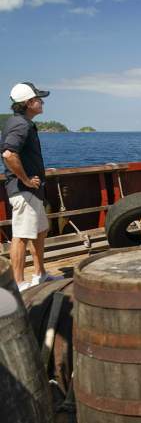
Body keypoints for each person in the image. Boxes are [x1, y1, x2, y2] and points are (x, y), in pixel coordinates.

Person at [1, 82, 57, 291]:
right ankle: (17, 282)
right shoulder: (21, 124)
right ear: (28, 103)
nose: (42, 102)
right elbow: (8, 154)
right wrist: (24, 179)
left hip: (32, 191)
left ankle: (40, 274)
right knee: (22, 236)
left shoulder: (19, 122)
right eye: (38, 99)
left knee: (40, 231)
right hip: (24, 190)